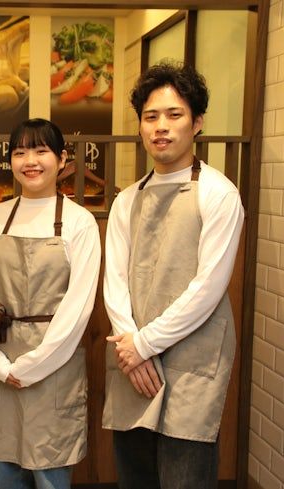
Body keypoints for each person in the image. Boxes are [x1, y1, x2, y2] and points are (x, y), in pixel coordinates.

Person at [102, 62, 245, 489]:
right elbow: (114, 282)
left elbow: (208, 289)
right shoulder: (127, 200)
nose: (161, 126)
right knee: (135, 475)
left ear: (197, 122)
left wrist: (143, 345)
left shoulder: (219, 194)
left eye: (174, 114)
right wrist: (131, 347)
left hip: (190, 360)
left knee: (186, 476)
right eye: (150, 116)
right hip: (134, 362)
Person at [0, 118, 101, 489]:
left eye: (41, 151)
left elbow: (78, 308)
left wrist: (32, 366)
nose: (30, 161)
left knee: (50, 477)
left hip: (53, 368)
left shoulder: (80, 222)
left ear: (62, 159)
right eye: (20, 152)